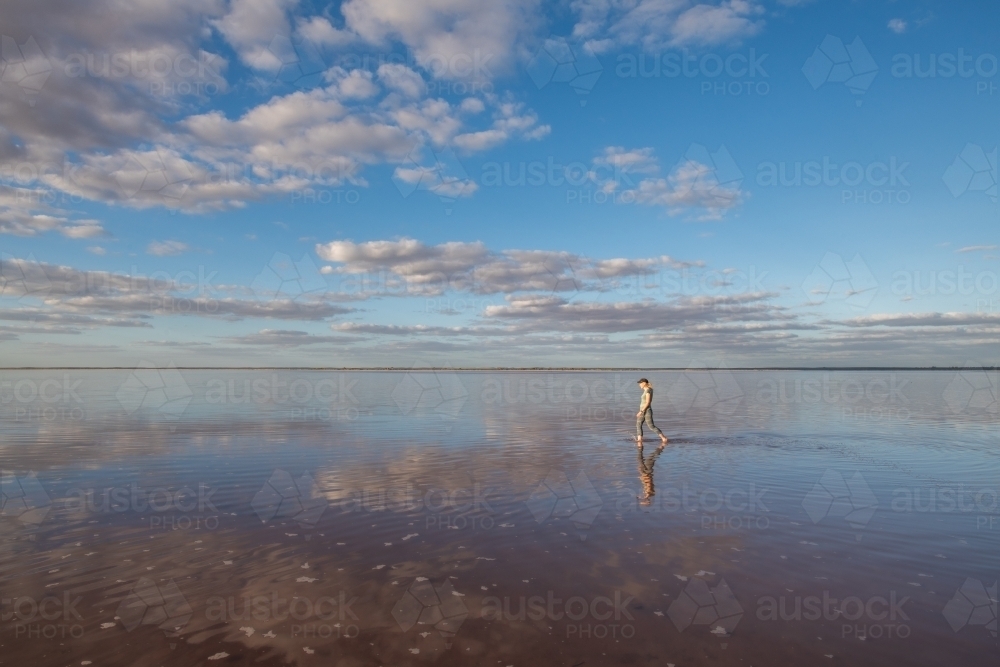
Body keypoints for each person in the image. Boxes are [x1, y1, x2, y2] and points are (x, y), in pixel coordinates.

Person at [635, 378, 668, 444]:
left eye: (640, 383)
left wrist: (641, 411)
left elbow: (648, 402)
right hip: (642, 410)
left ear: (644, 383)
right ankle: (639, 440)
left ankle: (664, 438)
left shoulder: (648, 390)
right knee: (638, 424)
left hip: (647, 410)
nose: (639, 385)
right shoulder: (646, 390)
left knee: (651, 426)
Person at [637, 441, 666, 506]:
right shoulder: (649, 490)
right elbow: (649, 491)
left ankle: (640, 446)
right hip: (647, 471)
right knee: (651, 457)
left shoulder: (648, 490)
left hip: (644, 472)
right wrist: (646, 499)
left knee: (640, 458)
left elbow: (644, 482)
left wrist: (640, 476)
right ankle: (662, 446)